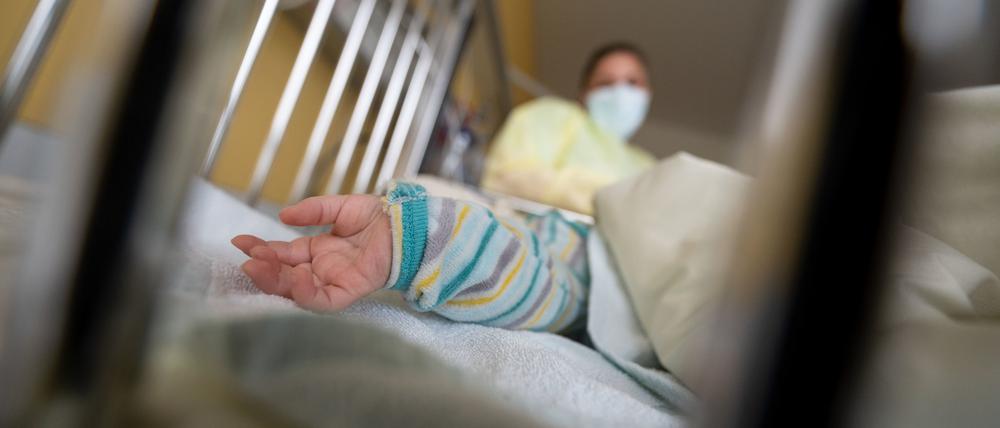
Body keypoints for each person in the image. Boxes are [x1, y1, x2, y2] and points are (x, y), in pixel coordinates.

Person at [231, 180, 590, 332]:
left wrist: (420, 239)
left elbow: (557, 296)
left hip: (583, 259)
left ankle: (426, 236)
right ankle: (417, 233)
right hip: (535, 224)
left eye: (632, 81)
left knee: (544, 286)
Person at [480, 42, 656, 214]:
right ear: (585, 93)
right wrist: (601, 197)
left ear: (648, 92)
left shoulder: (649, 166)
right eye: (605, 83)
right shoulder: (552, 117)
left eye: (632, 82)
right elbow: (505, 178)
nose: (620, 93)